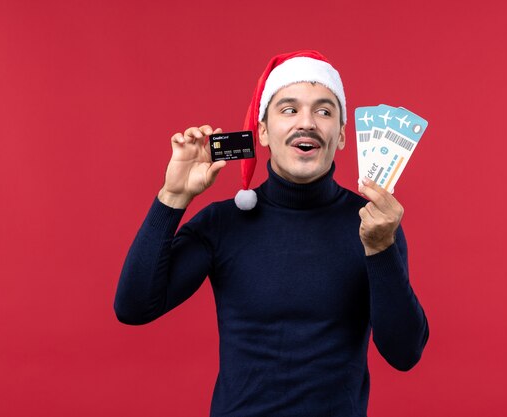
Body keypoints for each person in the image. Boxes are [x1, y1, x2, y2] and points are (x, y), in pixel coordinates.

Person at [114, 50, 429, 417]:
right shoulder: (222, 223)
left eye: (324, 111)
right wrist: (173, 197)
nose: (307, 123)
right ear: (263, 131)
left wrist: (380, 248)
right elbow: (133, 308)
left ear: (342, 135)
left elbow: (405, 353)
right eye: (289, 109)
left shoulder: (374, 225)